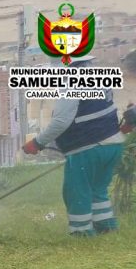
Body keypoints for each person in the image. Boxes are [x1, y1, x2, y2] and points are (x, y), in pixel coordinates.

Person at [23, 57, 125, 235]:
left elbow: (61, 121)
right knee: (98, 189)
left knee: (77, 191)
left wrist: (37, 142)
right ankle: (106, 227)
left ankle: (82, 233)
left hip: (88, 147)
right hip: (112, 143)